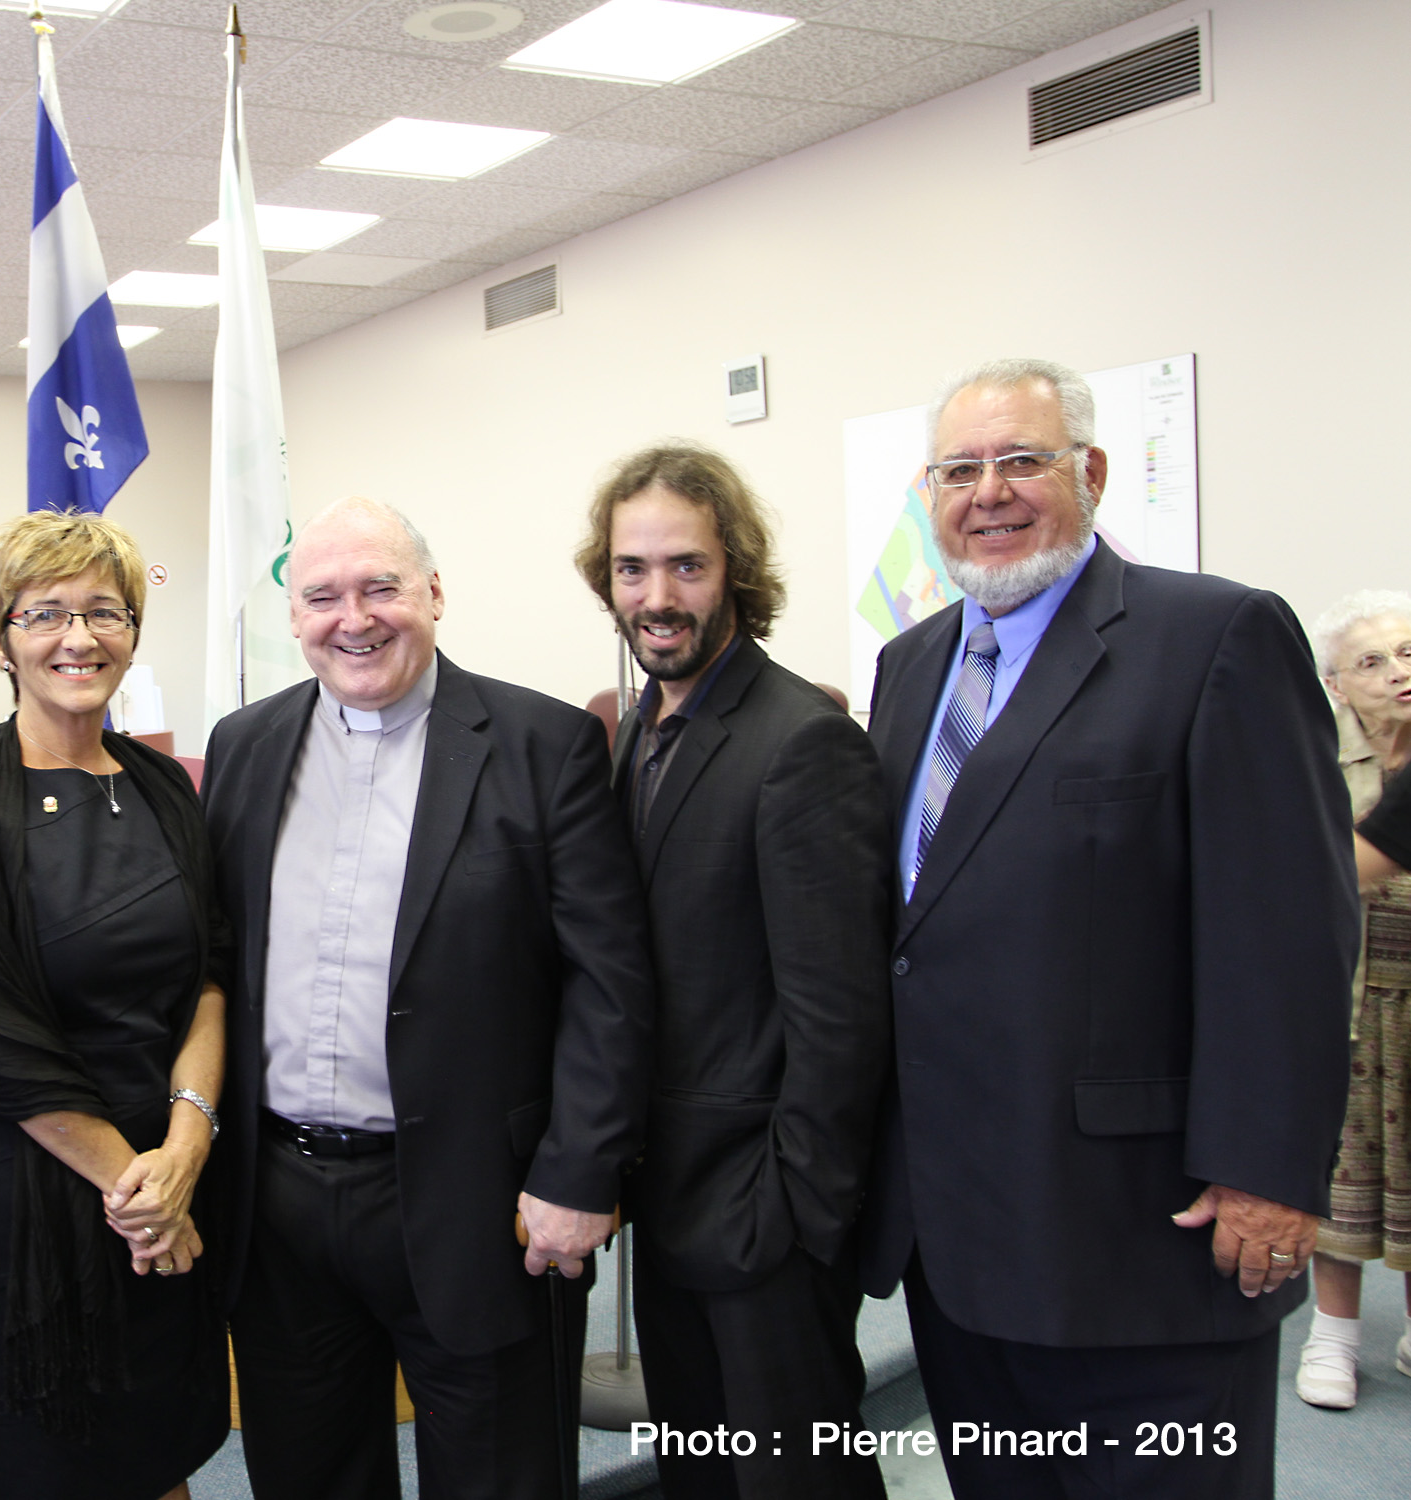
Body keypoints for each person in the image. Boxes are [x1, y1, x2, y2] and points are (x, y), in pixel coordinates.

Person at [861, 358, 1356, 1498]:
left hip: (1143, 1231)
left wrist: (1268, 1174)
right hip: (956, 1232)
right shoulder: (909, 666)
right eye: (958, 470)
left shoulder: (1214, 636)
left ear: (1087, 472)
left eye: (1021, 461)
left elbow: (1286, 934)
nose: (988, 493)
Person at [203, 495, 654, 1500]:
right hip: (280, 1205)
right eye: (322, 595)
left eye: (381, 588)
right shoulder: (244, 745)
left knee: (501, 1476)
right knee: (309, 1474)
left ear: (435, 594)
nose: (352, 617)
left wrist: (581, 1173)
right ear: (294, 615)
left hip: (479, 1201)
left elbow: (610, 980)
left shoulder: (543, 745)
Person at [575, 446, 892, 1500]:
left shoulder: (801, 740)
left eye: (686, 567)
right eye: (632, 569)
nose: (656, 597)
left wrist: (795, 1212)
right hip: (669, 1203)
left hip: (762, 1216)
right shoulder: (643, 733)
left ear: (736, 573)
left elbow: (841, 1017)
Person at [0, 509, 229, 1500]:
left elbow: (210, 981)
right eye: (45, 614)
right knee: (55, 1465)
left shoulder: (166, 784)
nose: (78, 639)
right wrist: (141, 1193)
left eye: (104, 612)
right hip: (35, 1194)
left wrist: (183, 1154)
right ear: (2, 636)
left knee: (160, 1452)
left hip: (170, 1163)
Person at [1292, 591, 1411, 1408]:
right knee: (1341, 1167)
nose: (1399, 674)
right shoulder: (1314, 757)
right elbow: (1316, 878)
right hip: (1347, 994)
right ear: (1336, 682)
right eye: (1373, 661)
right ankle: (1333, 1337)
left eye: (1409, 655)